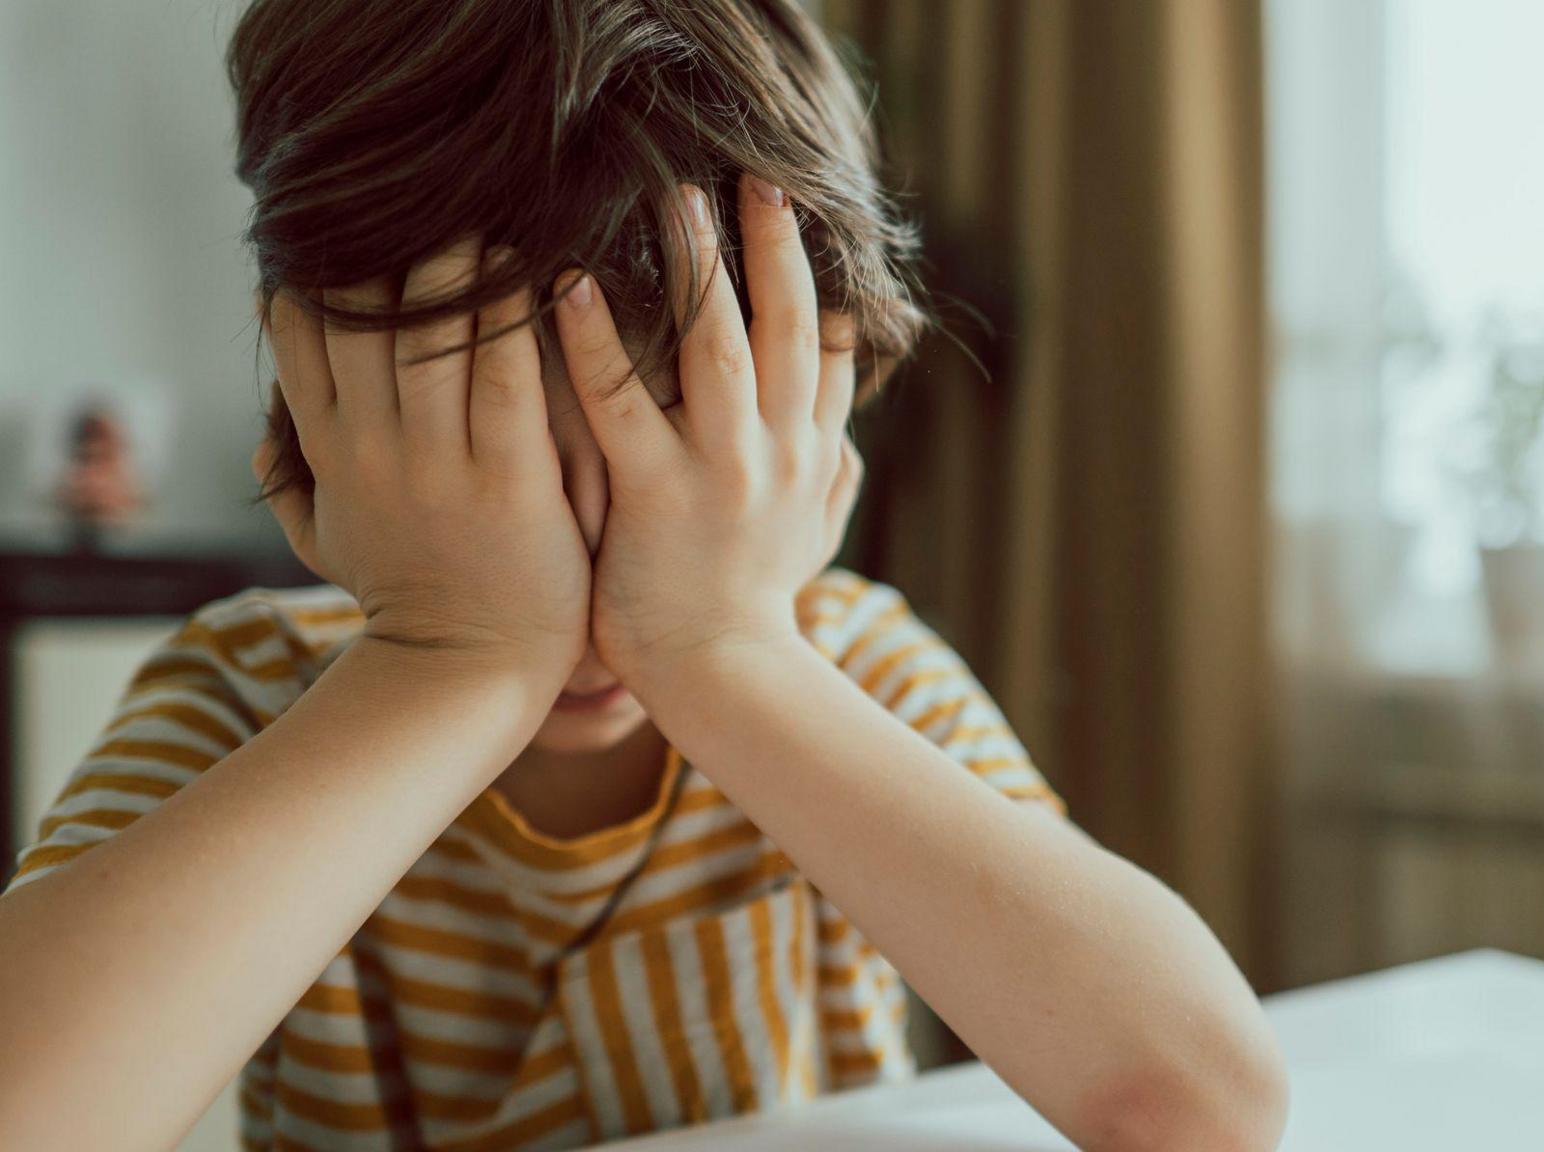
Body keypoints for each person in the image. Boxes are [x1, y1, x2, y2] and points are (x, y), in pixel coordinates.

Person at [0, 1, 1288, 1150]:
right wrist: (450, 655)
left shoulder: (857, 670)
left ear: (816, 437)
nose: (582, 599)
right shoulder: (241, 697)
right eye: (504, 504)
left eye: (658, 501)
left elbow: (1199, 1107)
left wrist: (724, 649)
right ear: (322, 441)